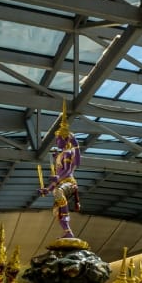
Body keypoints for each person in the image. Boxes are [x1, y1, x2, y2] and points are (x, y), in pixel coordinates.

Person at [38, 101, 81, 238]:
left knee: (58, 192)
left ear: (64, 138)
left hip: (69, 182)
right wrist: (47, 189)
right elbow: (58, 177)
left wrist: (53, 185)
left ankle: (68, 230)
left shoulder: (68, 153)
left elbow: (68, 171)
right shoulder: (60, 155)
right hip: (62, 183)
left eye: (58, 139)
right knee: (56, 209)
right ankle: (67, 231)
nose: (57, 142)